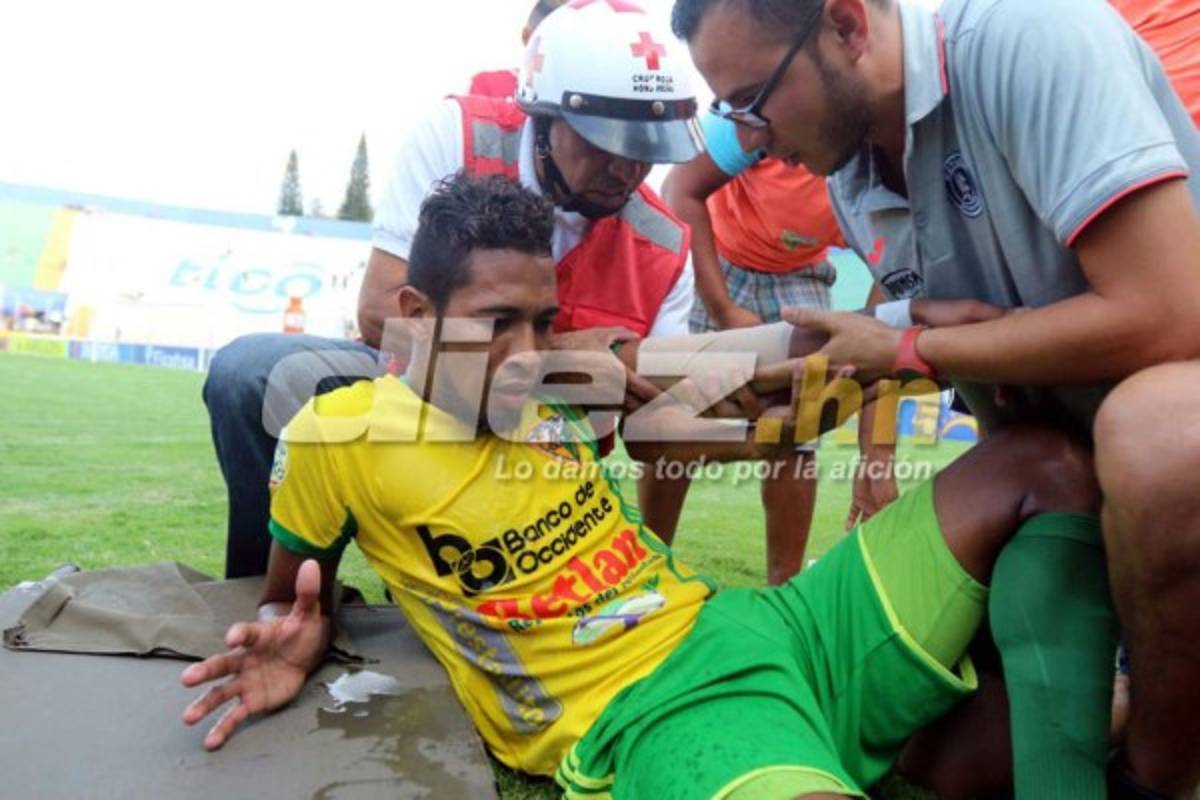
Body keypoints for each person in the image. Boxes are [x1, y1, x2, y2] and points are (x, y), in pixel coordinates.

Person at [181, 174, 1107, 800]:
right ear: (416, 314)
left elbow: (736, 392)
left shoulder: (556, 382)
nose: (528, 352)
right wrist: (303, 638)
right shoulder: (339, 434)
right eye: (497, 323)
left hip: (769, 628)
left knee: (1043, 465)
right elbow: (291, 600)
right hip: (650, 710)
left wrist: (903, 340)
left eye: (543, 321)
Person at [672, 0, 1200, 795]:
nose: (750, 140)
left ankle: (1154, 778)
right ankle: (1121, 682)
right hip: (1071, 467)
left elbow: (1171, 312)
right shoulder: (852, 174)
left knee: (1160, 441)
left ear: (846, 26)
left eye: (754, 100)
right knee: (950, 761)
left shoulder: (1030, 37)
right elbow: (941, 334)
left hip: (1169, 425)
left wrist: (909, 349)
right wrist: (824, 390)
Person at [203, 0, 704, 579]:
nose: (627, 169)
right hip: (413, 393)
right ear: (545, 118)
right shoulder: (457, 135)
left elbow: (656, 427)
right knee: (253, 374)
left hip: (541, 452)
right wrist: (562, 357)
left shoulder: (669, 246)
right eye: (606, 140)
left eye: (645, 147)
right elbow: (378, 313)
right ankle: (278, 598)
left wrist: (740, 416)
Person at [653, 114, 886, 584]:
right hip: (717, 258)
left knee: (800, 424)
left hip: (800, 275)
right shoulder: (765, 119)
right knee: (676, 407)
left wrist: (875, 457)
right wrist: (724, 311)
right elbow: (678, 189)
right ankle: (650, 559)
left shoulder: (876, 187)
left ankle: (784, 583)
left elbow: (879, 338)